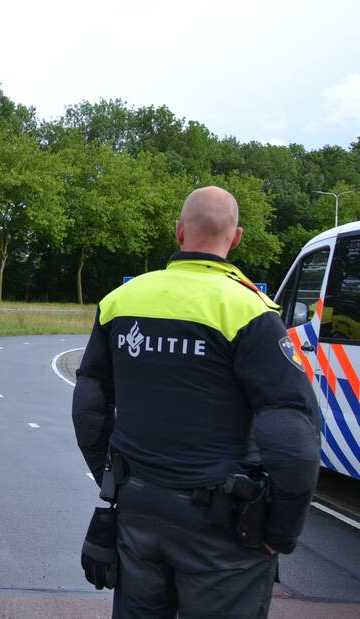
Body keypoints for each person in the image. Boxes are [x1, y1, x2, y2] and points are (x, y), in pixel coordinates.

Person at [72, 186, 321, 618]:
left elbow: (89, 405)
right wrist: (280, 532)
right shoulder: (250, 312)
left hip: (138, 510)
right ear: (237, 237)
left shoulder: (120, 301)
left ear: (179, 231)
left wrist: (111, 478)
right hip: (222, 532)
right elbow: (290, 435)